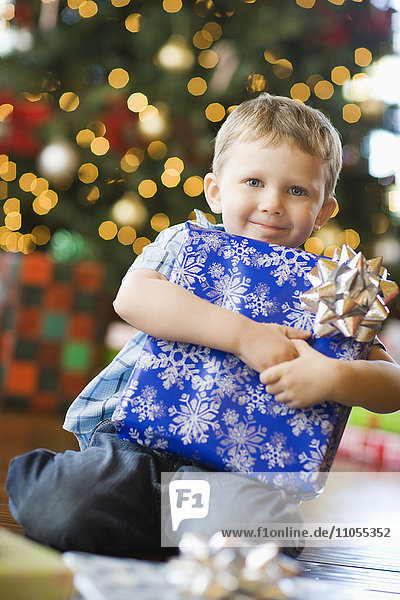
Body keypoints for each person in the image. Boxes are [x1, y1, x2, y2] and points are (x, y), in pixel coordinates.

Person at [6, 94, 400, 558]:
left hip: (244, 471)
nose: (272, 203)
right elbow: (133, 297)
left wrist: (335, 376)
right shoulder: (187, 242)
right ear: (215, 190)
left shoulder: (340, 288)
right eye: (253, 181)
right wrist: (244, 335)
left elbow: (391, 385)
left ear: (324, 210)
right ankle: (166, 527)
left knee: (240, 535)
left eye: (297, 191)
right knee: (61, 504)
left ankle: (175, 529)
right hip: (138, 445)